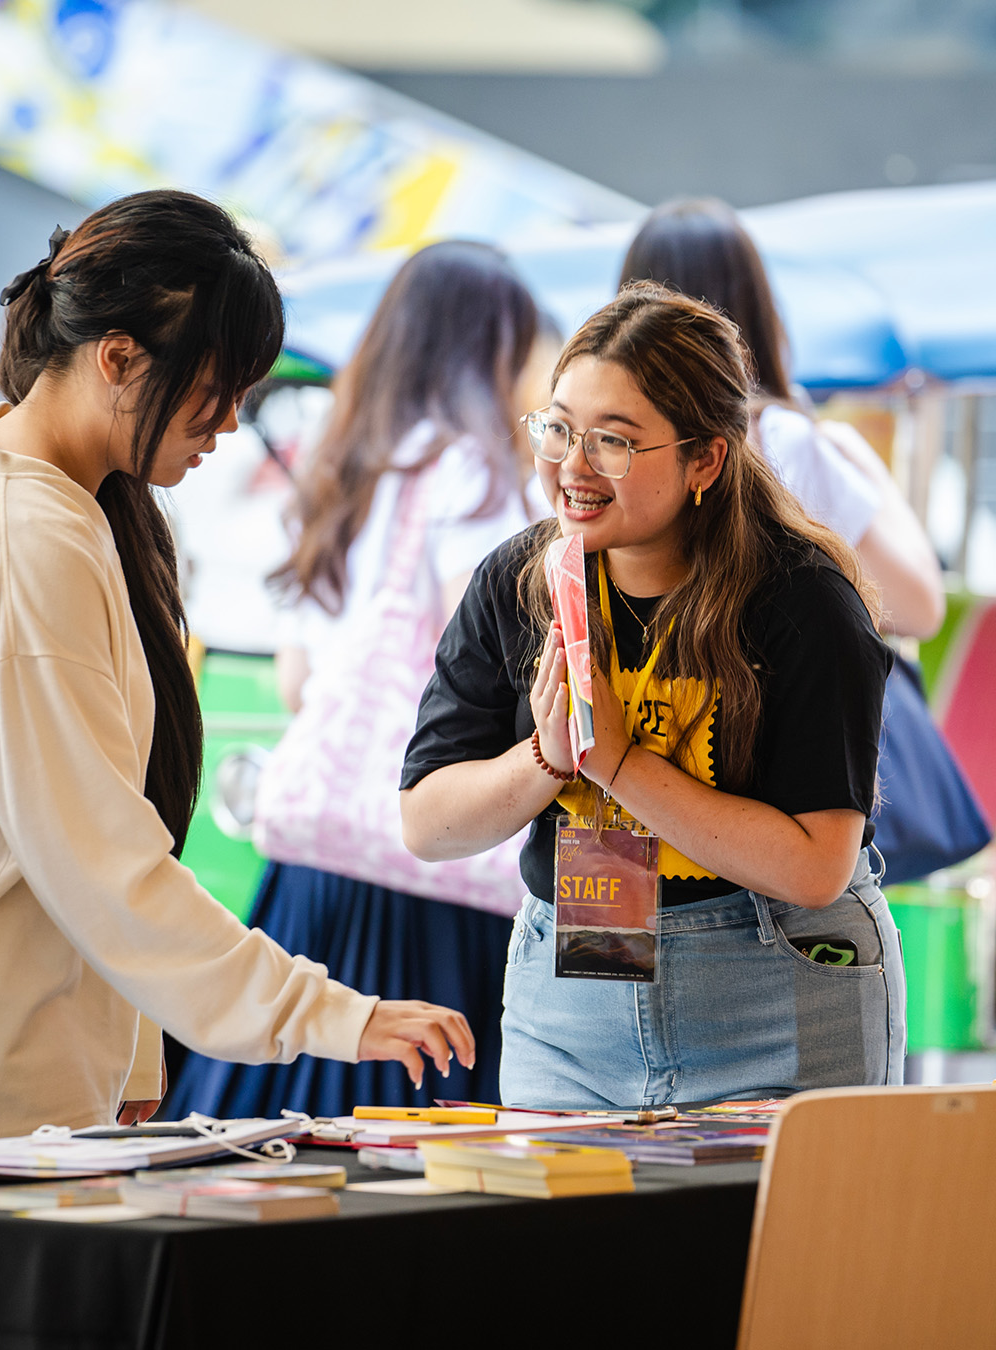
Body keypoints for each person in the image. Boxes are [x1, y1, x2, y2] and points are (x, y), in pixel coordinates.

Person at [0, 191, 472, 1137]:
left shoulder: (74, 514)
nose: (228, 426)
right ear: (119, 358)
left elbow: (91, 842)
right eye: (220, 390)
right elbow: (97, 857)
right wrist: (338, 1015)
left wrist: (134, 1046)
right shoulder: (33, 534)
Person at [400, 283, 906, 1109]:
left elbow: (816, 867)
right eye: (558, 427)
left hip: (778, 985)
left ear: (704, 458)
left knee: (784, 1240)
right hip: (576, 994)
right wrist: (543, 760)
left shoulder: (802, 600)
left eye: (613, 442)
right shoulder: (517, 582)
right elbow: (427, 822)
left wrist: (620, 761)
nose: (571, 466)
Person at [167, 240, 539, 1120]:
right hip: (430, 870)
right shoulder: (473, 473)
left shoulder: (340, 466)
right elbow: (485, 663)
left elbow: (300, 682)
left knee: (283, 1127)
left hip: (318, 869)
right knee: (426, 1140)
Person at [618, 197, 944, 641]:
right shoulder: (781, 440)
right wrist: (853, 454)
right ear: (756, 310)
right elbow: (920, 608)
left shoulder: (602, 445)